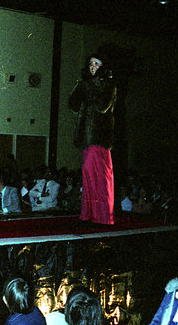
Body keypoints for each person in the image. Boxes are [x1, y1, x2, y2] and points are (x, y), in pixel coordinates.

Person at [68, 53, 117, 225]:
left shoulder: (109, 85)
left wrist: (91, 85)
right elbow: (72, 105)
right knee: (88, 174)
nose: (92, 66)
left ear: (103, 66)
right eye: (90, 63)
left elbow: (102, 106)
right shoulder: (87, 84)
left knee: (99, 176)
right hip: (85, 138)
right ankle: (88, 214)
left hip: (99, 137)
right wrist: (80, 86)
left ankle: (103, 216)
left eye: (97, 63)